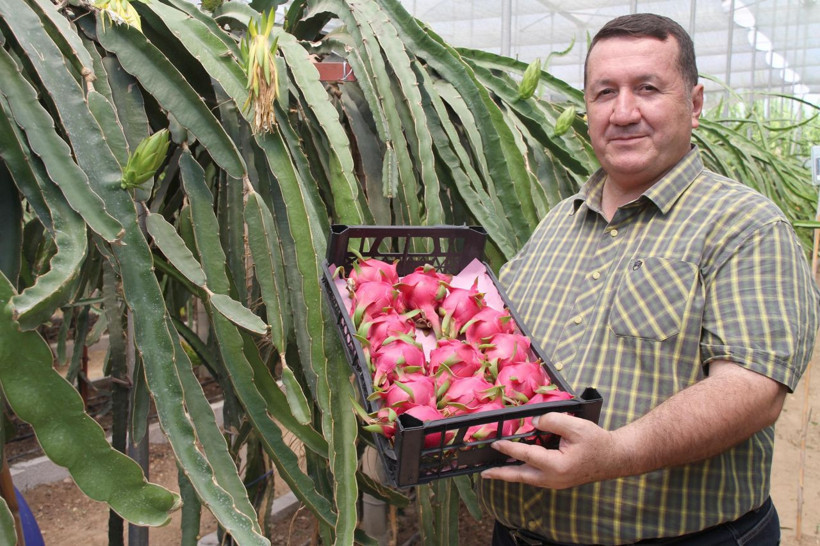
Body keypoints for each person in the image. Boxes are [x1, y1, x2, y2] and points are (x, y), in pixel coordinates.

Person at [478, 12, 820, 546]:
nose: (623, 112)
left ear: (696, 103)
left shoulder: (745, 225)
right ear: (586, 109)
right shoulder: (555, 223)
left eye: (648, 88)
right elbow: (495, 352)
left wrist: (618, 453)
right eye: (603, 92)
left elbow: (752, 388)